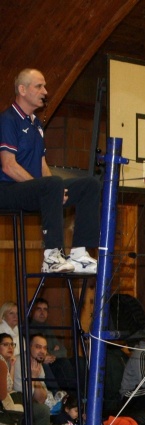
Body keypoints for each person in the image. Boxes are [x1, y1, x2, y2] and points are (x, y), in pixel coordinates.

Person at [0, 68, 100, 274]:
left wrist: (56, 190)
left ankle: (79, 253)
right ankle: (52, 256)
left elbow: (43, 165)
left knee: (89, 185)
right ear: (22, 90)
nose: (45, 91)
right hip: (7, 190)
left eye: (44, 86)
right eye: (39, 86)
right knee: (52, 184)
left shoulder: (36, 124)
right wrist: (46, 188)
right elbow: (8, 165)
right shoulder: (8, 119)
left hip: (36, 189)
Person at [0, 333, 23, 413]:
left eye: (12, 344)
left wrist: (12, 365)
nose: (10, 348)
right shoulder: (1, 363)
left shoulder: (4, 362)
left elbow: (9, 386)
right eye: (6, 344)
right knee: (19, 397)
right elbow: (6, 391)